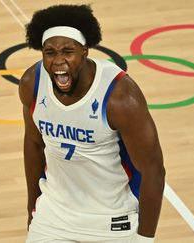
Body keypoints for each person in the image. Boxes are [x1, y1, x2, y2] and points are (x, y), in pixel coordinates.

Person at [18, 4, 165, 243]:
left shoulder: (120, 97)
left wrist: (145, 239)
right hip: (53, 217)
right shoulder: (32, 83)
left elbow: (153, 170)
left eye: (68, 51)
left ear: (84, 51)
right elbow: (34, 144)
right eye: (50, 52)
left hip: (112, 221)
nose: (58, 61)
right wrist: (31, 209)